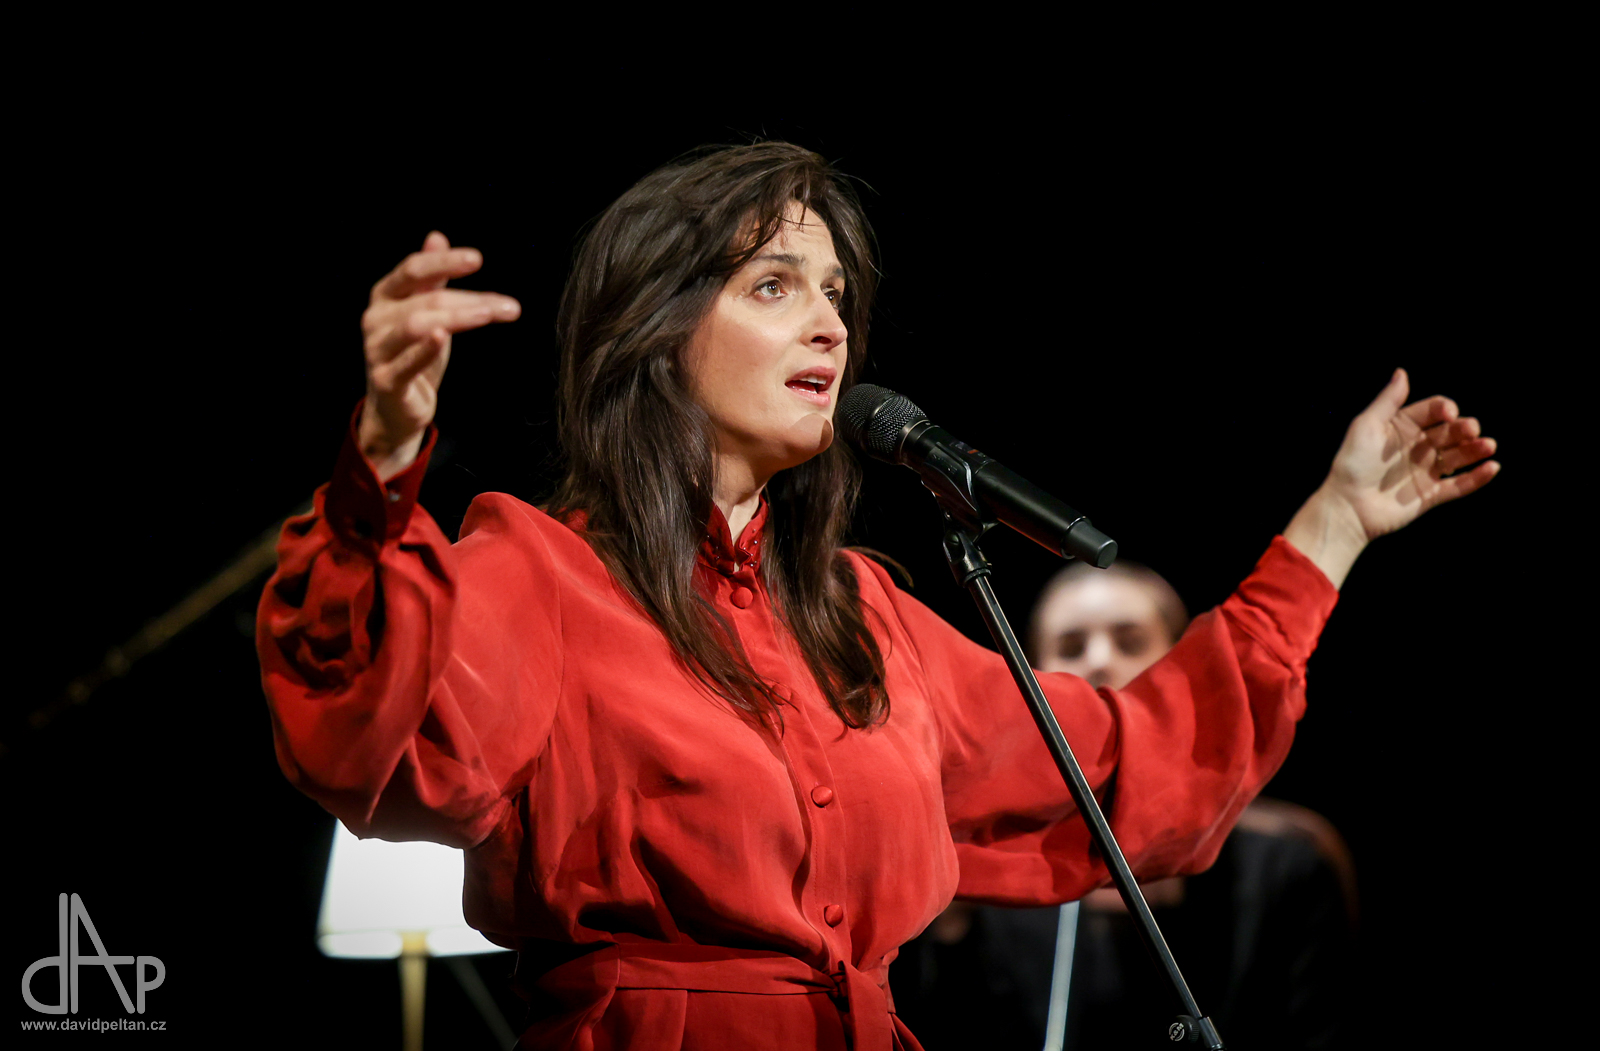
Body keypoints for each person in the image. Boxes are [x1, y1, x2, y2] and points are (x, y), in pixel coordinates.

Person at [255, 141, 1499, 1051]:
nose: (829, 327)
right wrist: (381, 465)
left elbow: (1124, 772)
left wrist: (1331, 528)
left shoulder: (858, 615)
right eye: (774, 285)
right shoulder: (540, 573)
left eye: (837, 295)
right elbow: (369, 721)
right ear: (656, 331)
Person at [892, 562, 1360, 1050]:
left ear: (1183, 668)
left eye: (1131, 642)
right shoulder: (983, 878)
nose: (1099, 662)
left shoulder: (1288, 864)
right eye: (1070, 647)